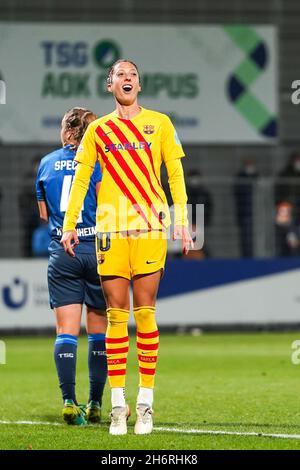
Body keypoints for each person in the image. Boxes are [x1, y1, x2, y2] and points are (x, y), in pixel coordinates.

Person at [61, 60, 193, 436]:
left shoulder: (161, 123)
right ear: (110, 86)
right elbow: (82, 178)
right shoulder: (99, 130)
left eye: (132, 74)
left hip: (150, 226)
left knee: (146, 313)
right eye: (120, 74)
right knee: (116, 316)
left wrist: (181, 217)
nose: (127, 78)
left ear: (139, 83)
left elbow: (175, 173)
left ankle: (145, 403)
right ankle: (118, 405)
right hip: (110, 231)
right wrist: (70, 225)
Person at [35, 108, 107, 426]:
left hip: (63, 251)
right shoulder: (98, 164)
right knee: (99, 333)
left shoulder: (46, 164)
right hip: (96, 250)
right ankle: (95, 403)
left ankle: (69, 401)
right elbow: (106, 207)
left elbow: (43, 215)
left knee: (66, 332)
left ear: (66, 132)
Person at [234, 159, 259, 257]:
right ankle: (247, 256)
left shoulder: (257, 176)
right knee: (246, 237)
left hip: (257, 213)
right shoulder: (240, 178)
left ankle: (258, 255)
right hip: (245, 212)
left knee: (258, 236)